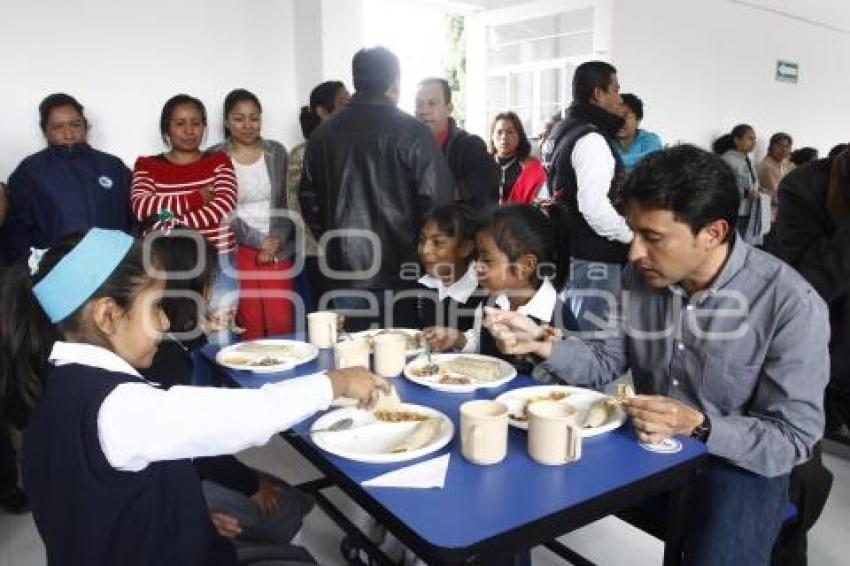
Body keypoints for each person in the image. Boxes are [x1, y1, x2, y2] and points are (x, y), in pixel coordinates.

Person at [485, 145, 830, 566]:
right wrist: (544, 344)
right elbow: (603, 362)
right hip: (644, 443)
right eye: (633, 232)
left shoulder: (790, 303)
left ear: (714, 233)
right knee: (503, 487)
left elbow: (792, 437)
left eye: (653, 237)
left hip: (739, 465)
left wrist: (699, 426)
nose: (633, 253)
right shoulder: (638, 277)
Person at [0, 228, 386, 565]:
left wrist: (188, 520)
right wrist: (334, 382)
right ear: (107, 315)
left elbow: (104, 515)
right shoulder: (115, 407)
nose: (167, 322)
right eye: (156, 309)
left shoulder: (53, 384)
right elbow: (246, 415)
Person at [141, 230, 317, 563]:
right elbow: (198, 450)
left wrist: (198, 329)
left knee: (273, 485)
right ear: (197, 287)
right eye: (211, 278)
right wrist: (251, 485)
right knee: (280, 499)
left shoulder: (160, 345)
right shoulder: (165, 361)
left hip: (171, 479)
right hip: (172, 491)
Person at [299, 47, 454, 331]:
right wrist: (422, 251)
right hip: (402, 267)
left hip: (345, 268)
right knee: (399, 355)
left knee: (353, 355)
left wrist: (336, 239)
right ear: (394, 81)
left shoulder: (322, 135)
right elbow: (437, 203)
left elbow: (309, 201)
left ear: (356, 78)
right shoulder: (412, 131)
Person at [130, 94, 239, 340]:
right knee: (174, 339)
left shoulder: (219, 162)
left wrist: (168, 225)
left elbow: (222, 208)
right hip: (166, 266)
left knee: (220, 338)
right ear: (166, 128)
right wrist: (195, 198)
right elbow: (142, 208)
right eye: (180, 123)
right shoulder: (147, 166)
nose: (189, 130)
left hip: (218, 262)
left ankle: (219, 381)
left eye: (196, 123)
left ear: (204, 126)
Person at [543, 61, 630, 332]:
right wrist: (631, 236)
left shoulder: (561, 131)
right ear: (597, 94)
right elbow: (594, 207)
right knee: (590, 338)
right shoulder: (591, 138)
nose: (620, 98)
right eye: (615, 89)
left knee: (570, 329)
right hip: (595, 257)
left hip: (568, 250)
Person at [0, 93, 134, 264]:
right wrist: (30, 272)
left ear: (85, 126)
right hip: (54, 272)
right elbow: (16, 230)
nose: (69, 133)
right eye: (58, 127)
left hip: (113, 269)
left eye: (75, 124)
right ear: (45, 131)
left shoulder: (113, 166)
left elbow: (135, 217)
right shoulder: (30, 171)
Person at [208, 89, 295, 340]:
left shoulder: (276, 151)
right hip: (238, 247)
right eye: (238, 118)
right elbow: (221, 207)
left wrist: (274, 241)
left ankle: (286, 378)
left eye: (254, 118)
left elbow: (286, 201)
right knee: (251, 323)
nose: (247, 125)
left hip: (277, 247)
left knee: (280, 320)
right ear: (226, 122)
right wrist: (258, 241)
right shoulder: (214, 156)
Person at [473, 205, 575, 374]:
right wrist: (460, 340)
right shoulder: (490, 302)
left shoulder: (560, 321)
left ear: (525, 265)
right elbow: (480, 344)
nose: (476, 266)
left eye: (487, 259)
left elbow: (573, 380)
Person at [288, 80, 350, 311]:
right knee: (325, 320)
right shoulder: (302, 153)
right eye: (345, 103)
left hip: (351, 249)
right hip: (318, 252)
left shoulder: (352, 147)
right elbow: (297, 209)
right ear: (323, 111)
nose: (352, 108)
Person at [405, 204, 485, 351]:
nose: (425, 250)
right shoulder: (420, 287)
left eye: (438, 243)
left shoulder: (484, 292)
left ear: (465, 248)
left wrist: (457, 339)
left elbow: (486, 348)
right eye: (422, 241)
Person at [415, 78, 499, 208]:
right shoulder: (406, 145)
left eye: (432, 103)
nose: (424, 110)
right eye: (419, 104)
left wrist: (454, 193)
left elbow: (490, 176)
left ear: (449, 108)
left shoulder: (468, 145)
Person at [713, 124, 764, 241]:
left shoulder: (747, 159)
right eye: (750, 138)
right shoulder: (727, 159)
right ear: (737, 140)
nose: (754, 142)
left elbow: (751, 181)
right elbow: (722, 187)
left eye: (754, 139)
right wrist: (746, 194)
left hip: (749, 212)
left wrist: (759, 189)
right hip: (735, 213)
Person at [488, 112, 547, 205]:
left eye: (510, 132)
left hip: (521, 217)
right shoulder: (482, 164)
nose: (504, 137)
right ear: (492, 136)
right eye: (499, 132)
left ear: (519, 136)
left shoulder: (532, 167)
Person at [615, 93, 663, 171]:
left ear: (638, 119)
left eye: (625, 116)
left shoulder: (650, 139)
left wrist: (613, 160)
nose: (620, 121)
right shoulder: (604, 141)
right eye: (615, 116)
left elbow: (653, 160)